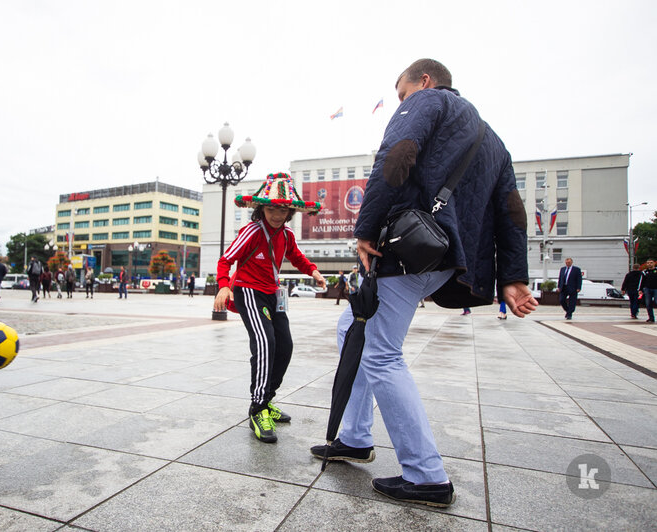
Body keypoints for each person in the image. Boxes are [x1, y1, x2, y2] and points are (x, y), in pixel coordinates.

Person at [309, 59, 537, 508]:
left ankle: (426, 475)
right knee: (351, 329)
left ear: (425, 81)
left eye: (401, 94)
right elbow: (512, 209)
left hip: (411, 246)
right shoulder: (494, 141)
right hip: (449, 257)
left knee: (381, 354)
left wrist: (366, 228)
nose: (401, 102)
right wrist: (513, 276)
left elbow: (396, 156)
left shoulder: (427, 101)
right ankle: (354, 436)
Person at [214, 172, 326, 444]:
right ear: (262, 208)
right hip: (248, 291)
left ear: (290, 212)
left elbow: (296, 257)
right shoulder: (251, 231)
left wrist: (313, 271)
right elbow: (226, 260)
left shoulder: (286, 235)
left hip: (272, 294)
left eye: (283, 209)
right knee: (265, 343)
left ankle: (268, 399)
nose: (277, 214)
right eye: (272, 207)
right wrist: (223, 285)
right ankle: (258, 408)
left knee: (284, 346)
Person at [642, 259, 657, 323]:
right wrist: (640, 289)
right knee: (648, 304)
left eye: (651, 263)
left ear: (654, 263)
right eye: (648, 263)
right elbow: (642, 281)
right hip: (647, 289)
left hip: (656, 288)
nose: (649, 264)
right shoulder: (645, 272)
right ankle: (651, 318)